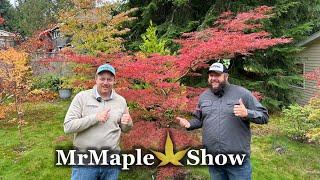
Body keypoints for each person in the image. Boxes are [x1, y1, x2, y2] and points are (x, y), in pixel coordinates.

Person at [176, 62, 269, 180]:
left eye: (217, 75)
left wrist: (247, 113)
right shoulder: (204, 96)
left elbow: (264, 116)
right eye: (211, 75)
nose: (214, 78)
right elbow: (199, 119)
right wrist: (189, 124)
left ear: (226, 76)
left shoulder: (242, 93)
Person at [64, 63, 133, 180]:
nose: (105, 82)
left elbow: (125, 129)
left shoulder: (121, 101)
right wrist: (95, 118)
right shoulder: (82, 97)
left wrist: (128, 123)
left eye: (109, 79)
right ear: (96, 79)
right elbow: (68, 126)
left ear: (114, 81)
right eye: (102, 79)